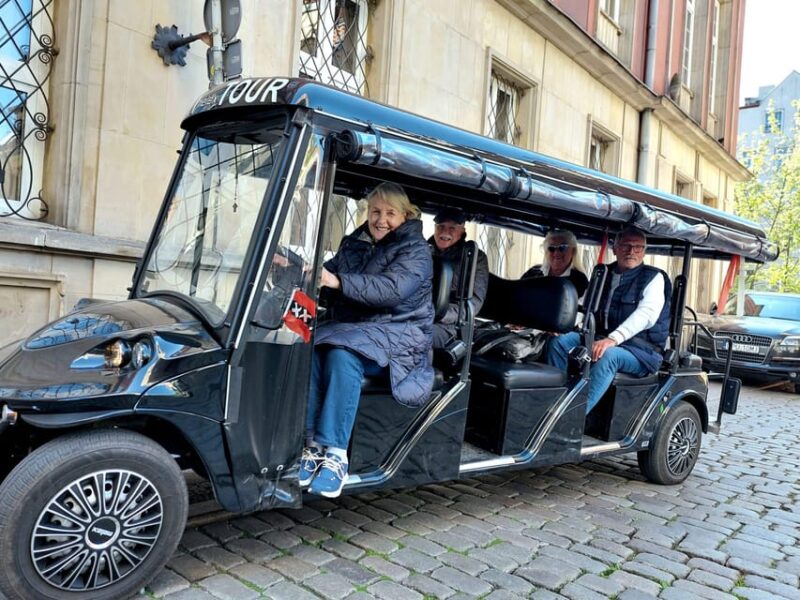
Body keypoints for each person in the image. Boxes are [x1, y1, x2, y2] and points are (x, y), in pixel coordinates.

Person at [300, 182, 434, 498]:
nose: (380, 219)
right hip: (358, 330)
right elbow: (327, 273)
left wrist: (337, 281)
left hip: (400, 336)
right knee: (310, 347)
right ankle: (313, 444)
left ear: (406, 216)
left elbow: (389, 289)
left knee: (341, 355)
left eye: (390, 213)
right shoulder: (356, 243)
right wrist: (304, 271)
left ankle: (336, 455)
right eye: (375, 211)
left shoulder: (417, 252)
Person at [545, 227, 671, 414]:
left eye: (638, 247)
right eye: (626, 246)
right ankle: (555, 400)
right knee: (558, 342)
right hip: (600, 338)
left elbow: (646, 315)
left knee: (610, 356)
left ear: (644, 251)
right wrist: (562, 325)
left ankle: (572, 417)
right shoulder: (603, 273)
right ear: (615, 248)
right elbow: (583, 307)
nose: (631, 252)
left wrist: (613, 339)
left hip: (642, 350)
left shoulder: (654, 277)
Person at [428, 208, 489, 349]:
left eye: (452, 228)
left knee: (414, 334)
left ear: (462, 231)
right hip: (416, 315)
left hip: (450, 326)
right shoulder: (423, 251)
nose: (445, 232)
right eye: (440, 227)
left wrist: (441, 314)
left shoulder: (474, 258)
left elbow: (473, 304)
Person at [522, 229, 588, 298]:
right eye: (551, 248)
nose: (556, 253)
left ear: (573, 251)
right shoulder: (533, 272)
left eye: (562, 247)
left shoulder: (580, 280)